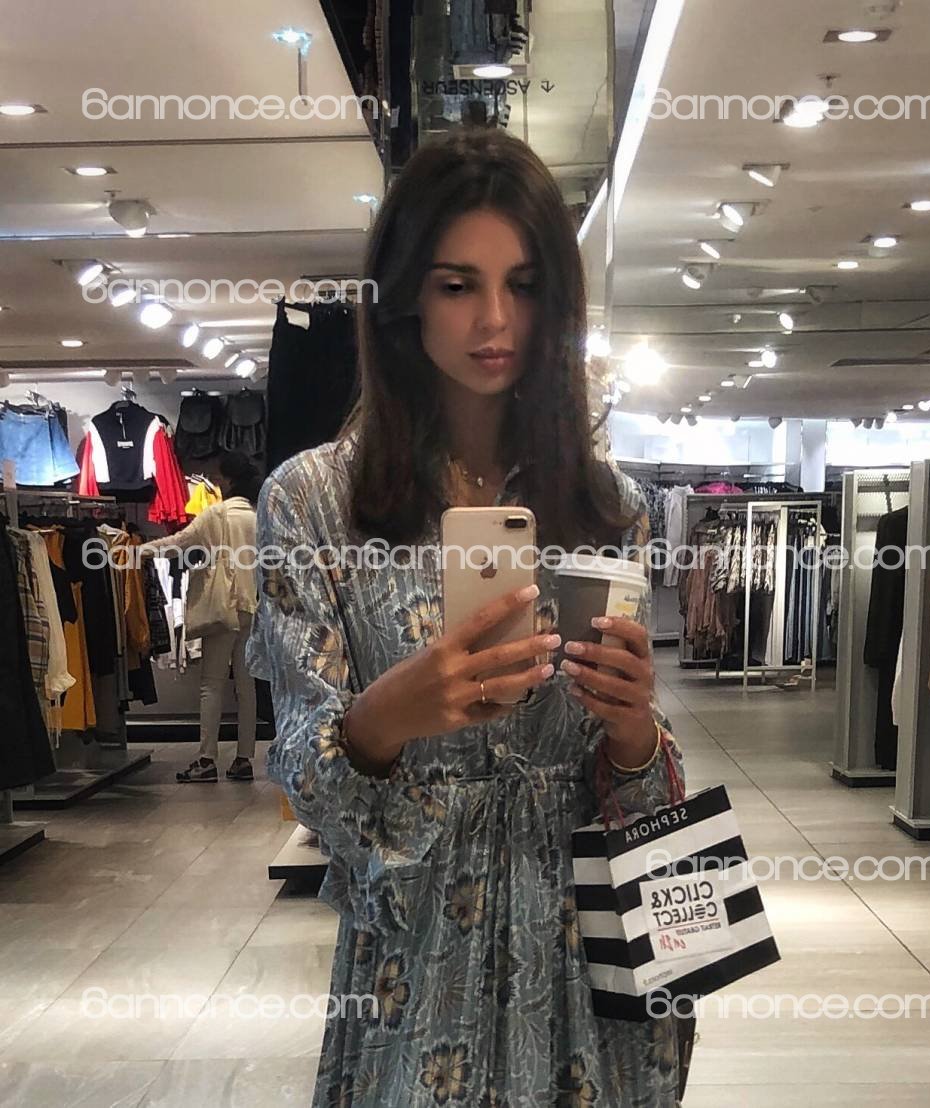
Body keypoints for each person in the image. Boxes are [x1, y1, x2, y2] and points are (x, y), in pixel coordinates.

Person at [247, 128, 688, 1105]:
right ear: (407, 296)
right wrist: (384, 718)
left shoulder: (607, 507)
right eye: (457, 284)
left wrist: (632, 730)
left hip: (579, 957)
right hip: (413, 961)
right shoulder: (315, 503)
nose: (495, 320)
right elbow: (303, 772)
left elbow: (640, 781)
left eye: (523, 286)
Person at [142, 450, 261, 783]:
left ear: (227, 480)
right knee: (247, 686)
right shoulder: (258, 516)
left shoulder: (216, 515)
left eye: (218, 477)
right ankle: (244, 759)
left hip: (222, 607)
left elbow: (179, 542)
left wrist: (138, 550)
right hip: (252, 608)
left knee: (212, 684)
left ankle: (207, 760)